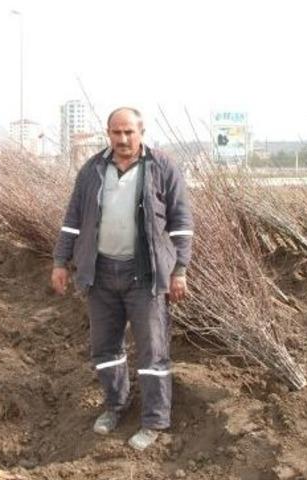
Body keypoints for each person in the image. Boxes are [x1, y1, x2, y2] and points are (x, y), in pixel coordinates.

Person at [51, 107, 194, 450]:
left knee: (153, 352)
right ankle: (116, 405)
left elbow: (181, 221)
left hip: (144, 276)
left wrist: (180, 269)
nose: (123, 139)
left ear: (141, 132)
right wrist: (60, 261)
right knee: (105, 348)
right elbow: (72, 219)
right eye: (116, 132)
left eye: (129, 132)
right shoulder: (92, 169)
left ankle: (154, 420)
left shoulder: (161, 167)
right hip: (100, 275)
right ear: (108, 134)